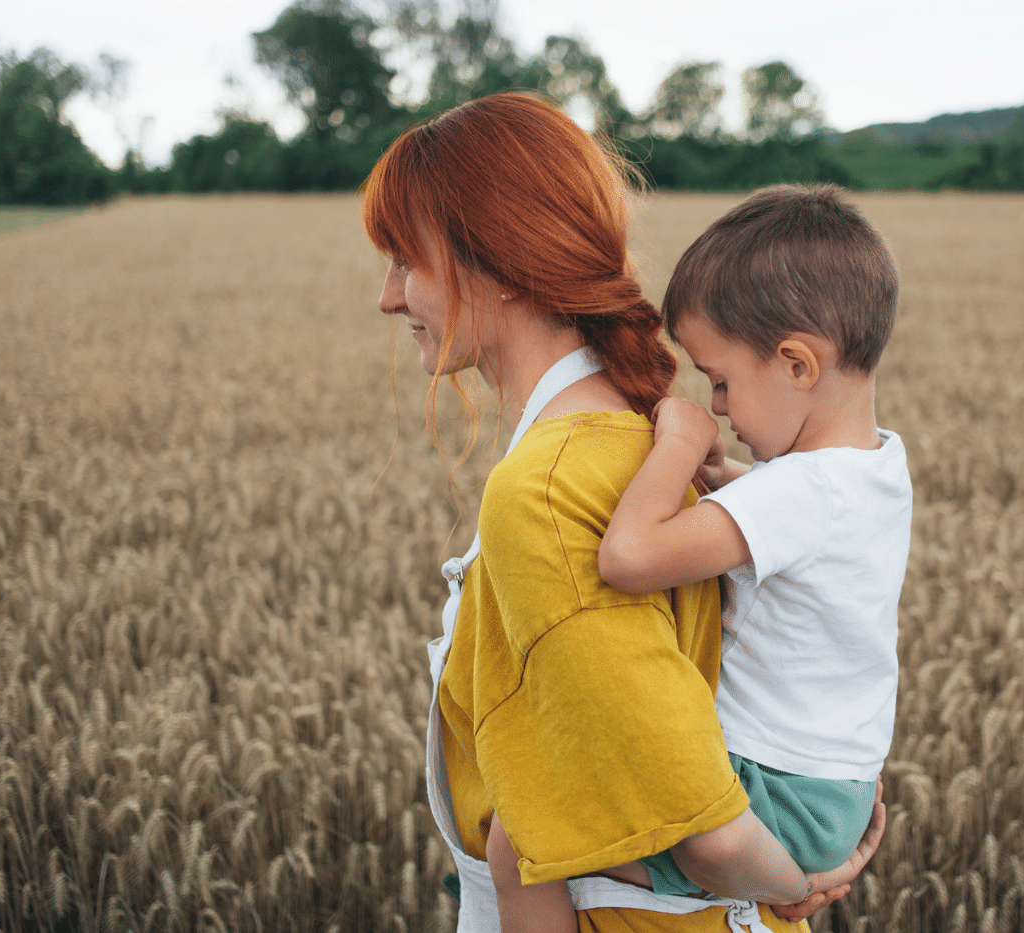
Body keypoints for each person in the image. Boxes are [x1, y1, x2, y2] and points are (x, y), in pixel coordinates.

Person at [361, 94, 883, 933]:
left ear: (495, 263)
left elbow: (692, 810)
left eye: (403, 259)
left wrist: (795, 884)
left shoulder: (546, 487)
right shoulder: (637, 437)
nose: (388, 297)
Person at [486, 184, 910, 933]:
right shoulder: (872, 468)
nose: (714, 404)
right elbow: (795, 522)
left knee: (521, 838)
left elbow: (629, 555)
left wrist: (676, 445)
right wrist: (722, 480)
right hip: (829, 788)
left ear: (797, 364)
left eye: (719, 380)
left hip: (771, 794)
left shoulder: (800, 494)